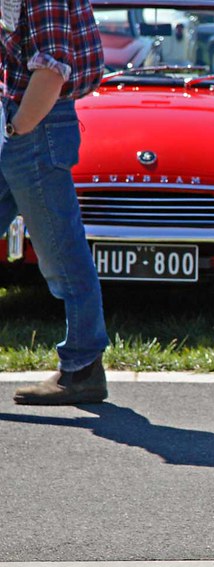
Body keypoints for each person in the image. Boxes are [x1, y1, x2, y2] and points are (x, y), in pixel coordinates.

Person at [1, 0, 110, 405]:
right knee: (62, 249)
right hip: (23, 122)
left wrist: (16, 128)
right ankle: (83, 366)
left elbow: (51, 69)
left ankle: (82, 369)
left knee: (62, 252)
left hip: (33, 126)